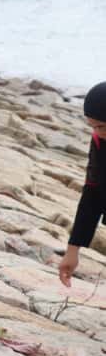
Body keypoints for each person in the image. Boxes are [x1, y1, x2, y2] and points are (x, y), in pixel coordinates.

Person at [59, 82, 106, 287]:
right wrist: (73, 250)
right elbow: (92, 193)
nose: (97, 132)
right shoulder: (100, 141)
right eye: (92, 126)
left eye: (101, 126)